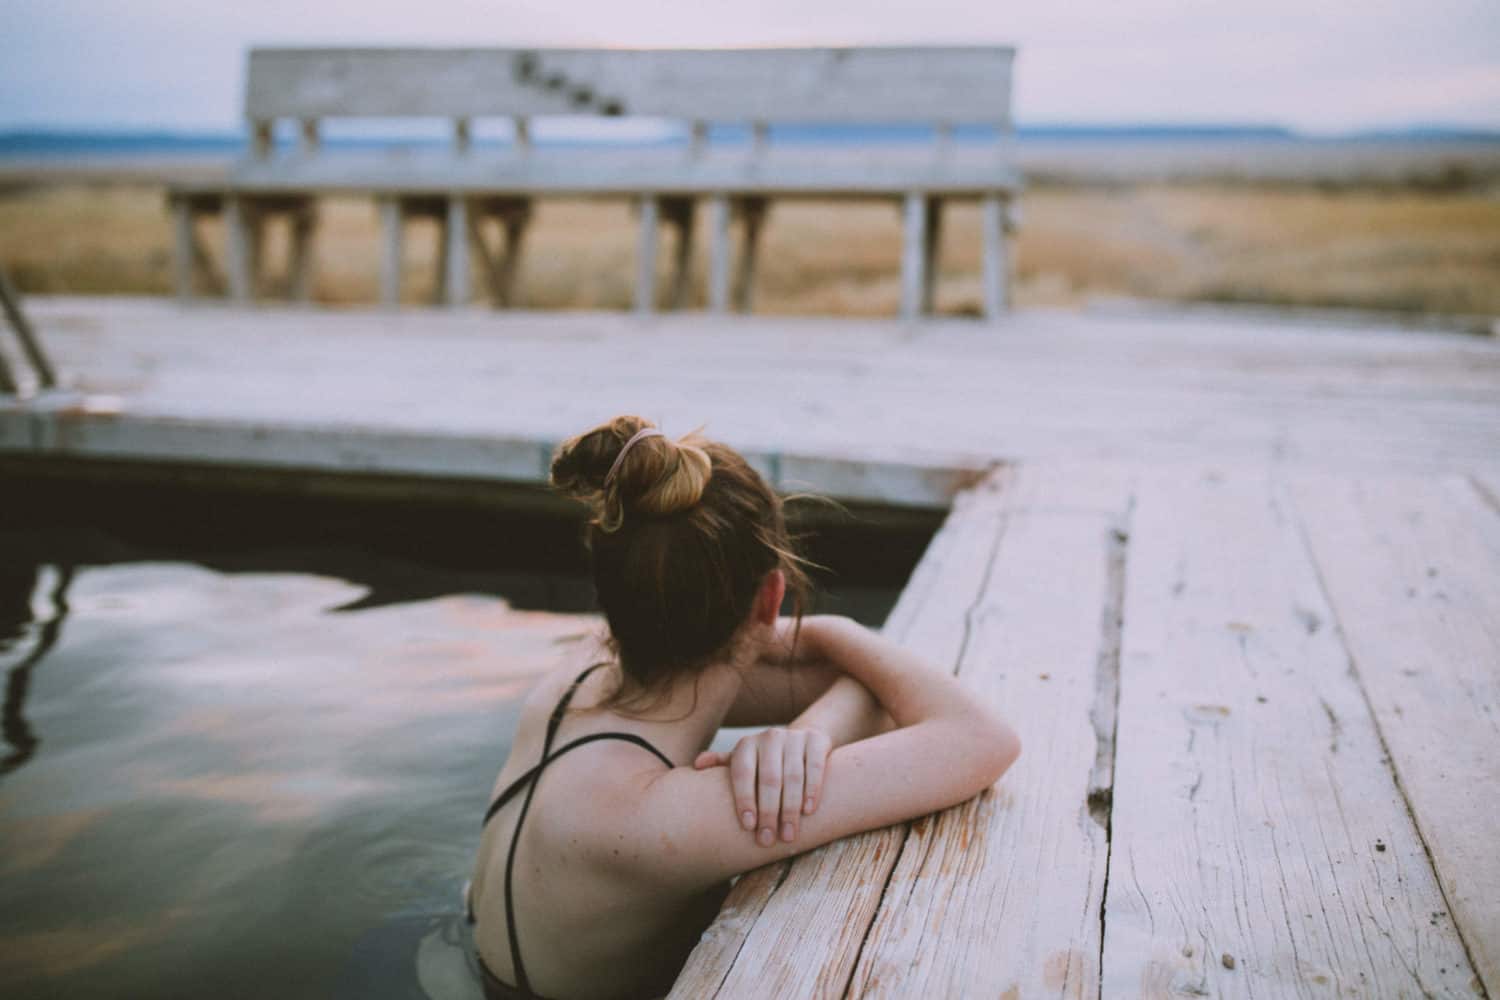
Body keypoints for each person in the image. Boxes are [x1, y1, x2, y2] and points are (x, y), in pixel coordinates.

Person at [467, 416, 1021, 1000]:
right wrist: (842, 631)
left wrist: (813, 731)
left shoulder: (577, 674)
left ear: (613, 589)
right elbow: (980, 736)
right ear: (772, 599)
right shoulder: (658, 820)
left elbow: (875, 690)